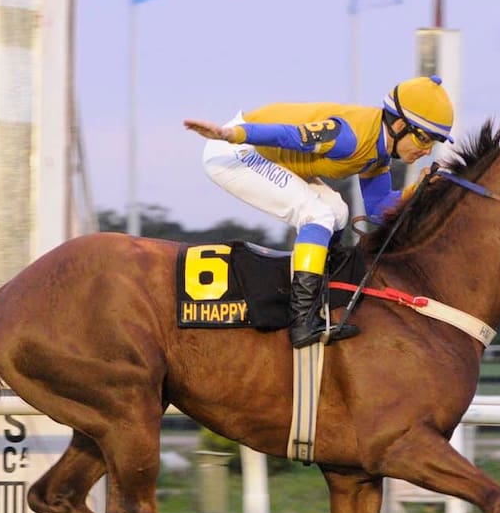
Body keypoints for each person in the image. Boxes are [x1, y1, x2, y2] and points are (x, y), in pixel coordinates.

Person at [184, 75, 454, 348]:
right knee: (318, 214)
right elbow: (288, 136)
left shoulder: (378, 151)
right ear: (398, 125)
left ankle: (325, 295)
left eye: (434, 141)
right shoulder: (350, 138)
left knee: (338, 211)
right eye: (423, 138)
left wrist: (417, 189)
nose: (427, 149)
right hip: (236, 149)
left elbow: (378, 209)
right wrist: (232, 134)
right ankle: (302, 320)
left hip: (260, 150)